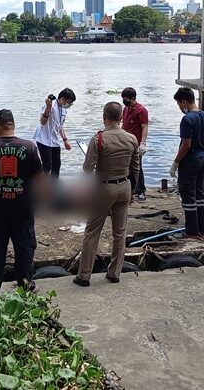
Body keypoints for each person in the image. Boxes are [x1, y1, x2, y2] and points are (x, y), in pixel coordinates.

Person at [0, 109, 44, 294]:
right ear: (12, 125)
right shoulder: (29, 147)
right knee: (25, 249)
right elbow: (40, 180)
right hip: (24, 210)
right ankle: (26, 286)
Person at [74, 102, 139, 286]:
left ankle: (84, 275)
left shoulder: (98, 139)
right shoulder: (131, 138)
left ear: (104, 117)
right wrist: (133, 190)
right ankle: (114, 273)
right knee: (120, 233)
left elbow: (87, 169)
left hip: (104, 188)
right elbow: (136, 168)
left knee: (92, 231)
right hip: (124, 186)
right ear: (121, 118)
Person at [170, 87, 204, 239]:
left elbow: (186, 144)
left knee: (188, 193)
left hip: (190, 159)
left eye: (179, 105)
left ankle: (192, 231)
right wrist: (203, 154)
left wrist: (175, 162)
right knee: (200, 193)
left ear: (184, 102)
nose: (180, 108)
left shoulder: (187, 119)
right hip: (203, 157)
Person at [32, 88, 76, 179]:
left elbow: (59, 126)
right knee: (47, 166)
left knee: (56, 166)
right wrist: (48, 108)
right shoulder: (50, 105)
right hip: (43, 139)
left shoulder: (63, 110)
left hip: (55, 141)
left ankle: (54, 187)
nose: (69, 104)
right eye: (69, 102)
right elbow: (43, 122)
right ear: (63, 99)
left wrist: (65, 140)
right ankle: (40, 185)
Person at [121, 87, 149, 202]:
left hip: (136, 143)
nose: (125, 101)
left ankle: (141, 190)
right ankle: (131, 189)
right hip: (126, 142)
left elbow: (144, 126)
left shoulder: (141, 110)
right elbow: (124, 125)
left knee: (138, 166)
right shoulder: (126, 109)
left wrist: (143, 143)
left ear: (133, 98)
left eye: (127, 99)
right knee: (127, 167)